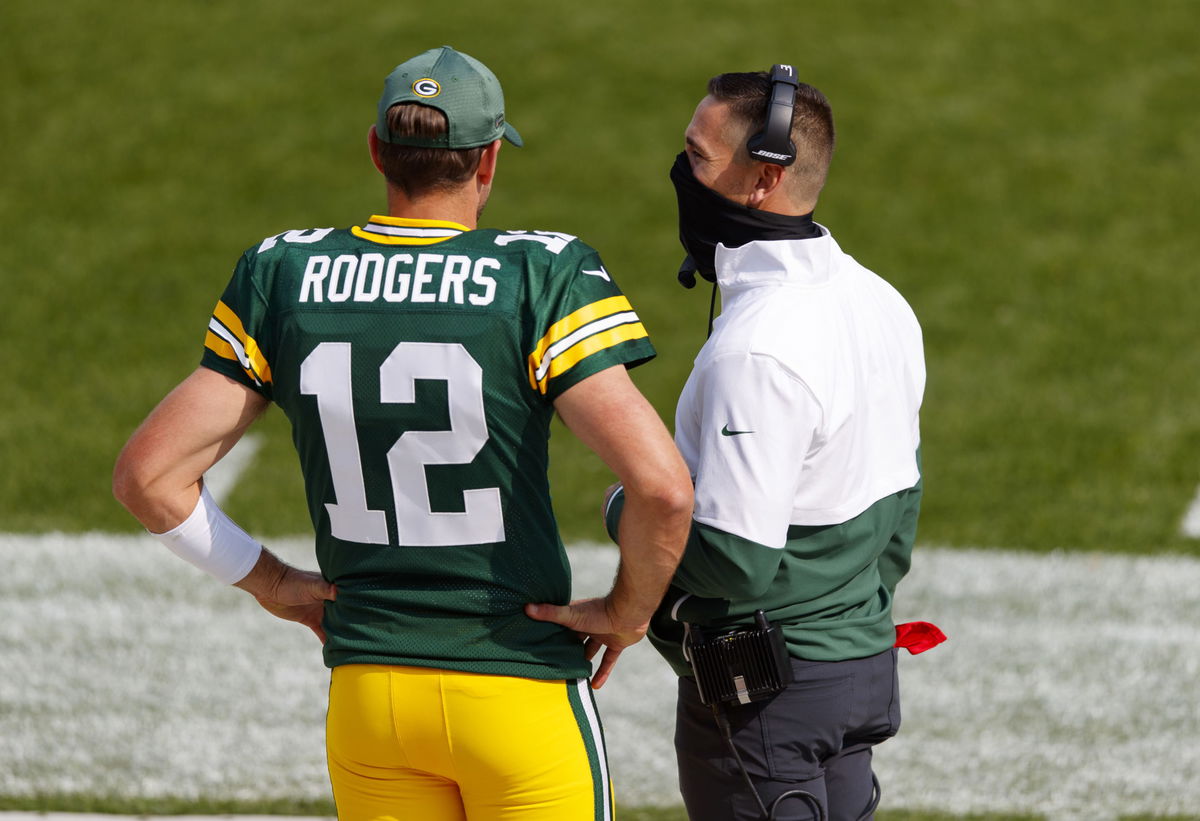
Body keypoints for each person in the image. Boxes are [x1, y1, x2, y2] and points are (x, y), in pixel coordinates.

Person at [112, 46, 693, 821]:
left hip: (369, 699)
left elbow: (146, 478)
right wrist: (628, 611)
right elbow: (660, 488)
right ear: (487, 160)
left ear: (378, 150)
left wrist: (273, 582)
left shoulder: (284, 271)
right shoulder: (540, 274)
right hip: (514, 688)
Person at [553, 66, 937, 820]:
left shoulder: (756, 349)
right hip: (859, 670)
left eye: (697, 157)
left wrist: (624, 510)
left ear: (763, 177)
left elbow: (735, 557)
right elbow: (900, 513)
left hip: (770, 702)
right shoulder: (882, 299)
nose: (680, 172)